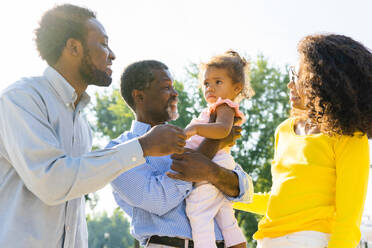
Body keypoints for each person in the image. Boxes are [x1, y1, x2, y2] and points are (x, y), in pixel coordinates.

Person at [0, 5, 186, 248]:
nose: (112, 55)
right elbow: (52, 182)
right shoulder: (22, 99)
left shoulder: (81, 121)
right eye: (103, 44)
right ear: (73, 47)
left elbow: (73, 209)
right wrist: (142, 146)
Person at [233, 34, 372, 248]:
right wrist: (226, 189)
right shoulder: (284, 131)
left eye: (297, 77)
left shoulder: (350, 138)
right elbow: (279, 201)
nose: (290, 84)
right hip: (267, 241)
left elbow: (348, 223)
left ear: (321, 83)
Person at [109, 60, 253, 248]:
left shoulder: (189, 138)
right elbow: (160, 200)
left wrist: (211, 170)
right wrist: (214, 144)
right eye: (166, 87)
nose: (175, 93)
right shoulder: (119, 152)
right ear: (139, 96)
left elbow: (245, 191)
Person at [182, 50, 254, 248]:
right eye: (206, 83)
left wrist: (195, 128)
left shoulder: (224, 106)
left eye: (218, 82)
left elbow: (223, 130)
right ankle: (237, 244)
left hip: (213, 162)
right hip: (218, 161)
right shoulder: (215, 108)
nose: (210, 88)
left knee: (197, 212)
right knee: (224, 214)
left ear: (236, 87)